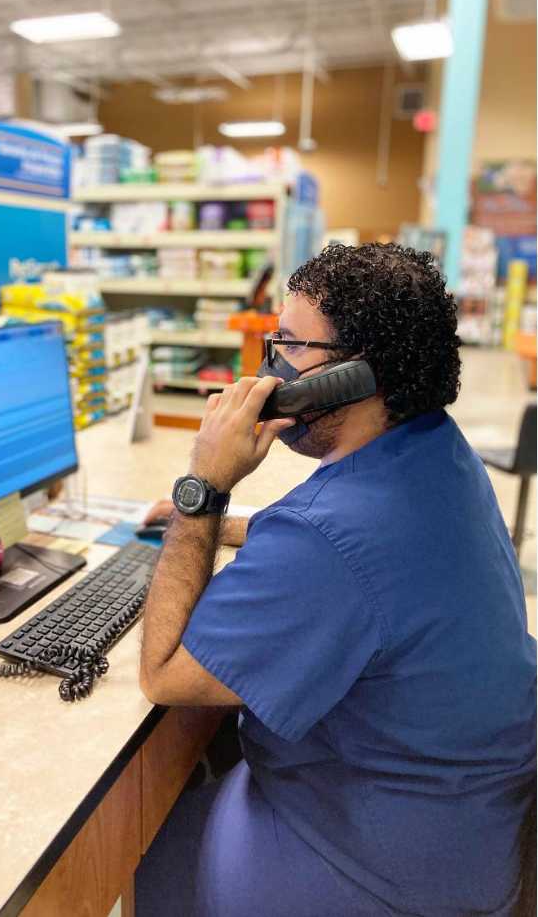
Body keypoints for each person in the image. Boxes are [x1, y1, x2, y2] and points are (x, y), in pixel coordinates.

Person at [136, 243, 536, 917]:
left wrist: (203, 491)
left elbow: (165, 674)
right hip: (462, 830)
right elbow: (359, 555)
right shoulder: (435, 450)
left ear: (351, 378)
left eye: (289, 345)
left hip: (370, 870)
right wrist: (238, 527)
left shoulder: (325, 536)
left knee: (124, 860)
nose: (269, 367)